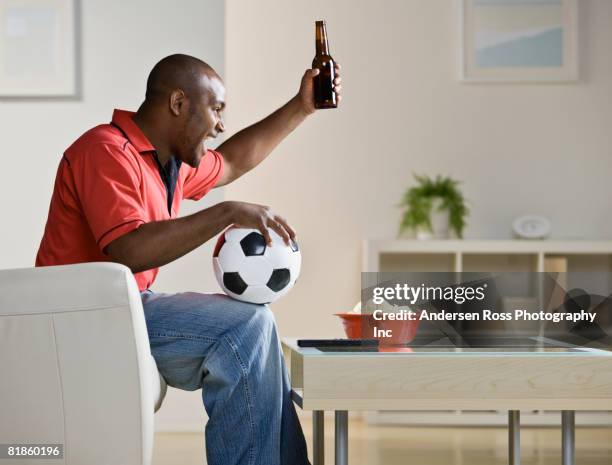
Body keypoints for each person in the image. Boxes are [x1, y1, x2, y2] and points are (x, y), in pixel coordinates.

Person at [35, 53, 342, 465]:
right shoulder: (104, 151)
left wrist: (302, 106)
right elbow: (129, 248)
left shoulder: (168, 164)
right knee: (244, 325)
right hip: (80, 317)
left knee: (255, 323)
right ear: (179, 104)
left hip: (121, 308)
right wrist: (227, 212)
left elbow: (232, 161)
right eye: (216, 109)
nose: (220, 125)